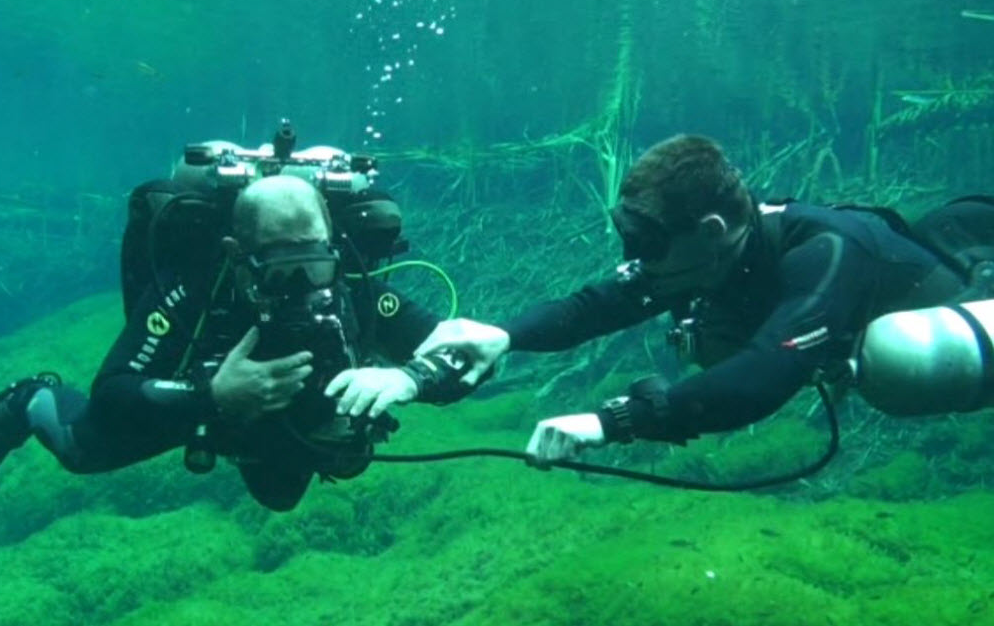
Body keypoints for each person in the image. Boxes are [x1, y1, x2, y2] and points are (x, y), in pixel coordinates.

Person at [0, 139, 477, 582]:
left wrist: (406, 376)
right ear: (235, 254)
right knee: (81, 448)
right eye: (281, 269)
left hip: (273, 432)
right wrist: (210, 396)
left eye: (317, 261)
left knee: (279, 496)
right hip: (205, 405)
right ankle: (30, 400)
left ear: (335, 244)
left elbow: (463, 358)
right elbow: (114, 390)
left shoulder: (357, 287)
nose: (306, 285)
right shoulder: (197, 287)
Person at [415, 133, 994, 464]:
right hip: (934, 247)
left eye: (647, 243)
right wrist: (506, 334)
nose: (636, 258)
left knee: (898, 353)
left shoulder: (824, 251)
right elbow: (593, 307)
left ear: (712, 229)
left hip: (965, 291)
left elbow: (769, 372)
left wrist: (611, 421)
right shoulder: (700, 255)